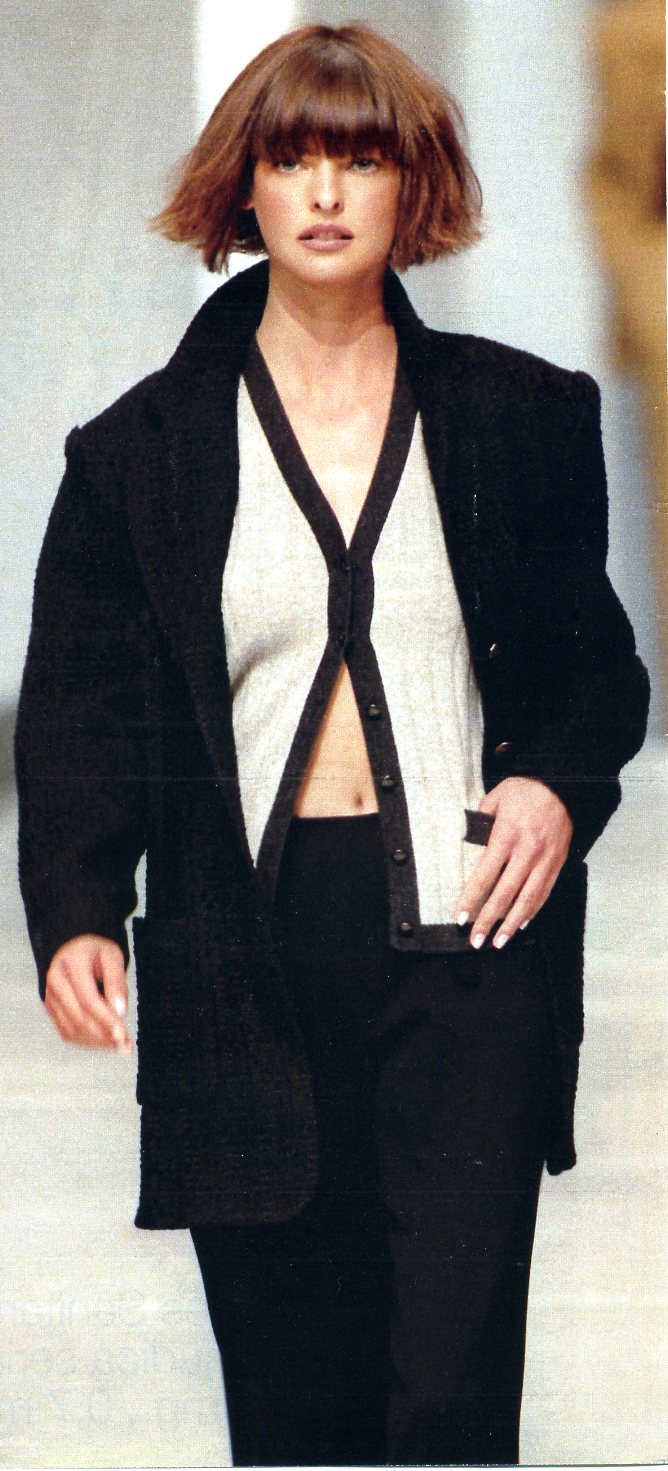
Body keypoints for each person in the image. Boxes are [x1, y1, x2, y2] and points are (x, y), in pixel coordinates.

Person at [15, 22, 650, 1468]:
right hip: (244, 958)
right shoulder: (140, 452)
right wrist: (75, 909)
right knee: (293, 1410)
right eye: (291, 157)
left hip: (468, 946)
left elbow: (591, 671)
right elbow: (82, 709)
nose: (322, 192)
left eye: (358, 160)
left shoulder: (520, 418)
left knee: (451, 1397)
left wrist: (555, 785)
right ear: (241, 186)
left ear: (410, 186)